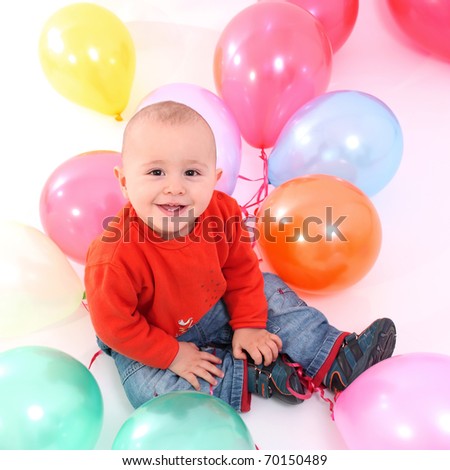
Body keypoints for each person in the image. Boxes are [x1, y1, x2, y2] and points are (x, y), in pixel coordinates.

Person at [84, 101, 396, 412]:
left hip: (215, 307)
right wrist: (174, 355)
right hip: (150, 337)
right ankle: (251, 376)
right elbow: (115, 328)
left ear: (214, 178)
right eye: (156, 172)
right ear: (124, 182)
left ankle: (334, 355)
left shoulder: (222, 213)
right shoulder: (113, 256)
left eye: (191, 172)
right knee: (147, 389)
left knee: (267, 289)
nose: (175, 187)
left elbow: (241, 270)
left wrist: (249, 323)